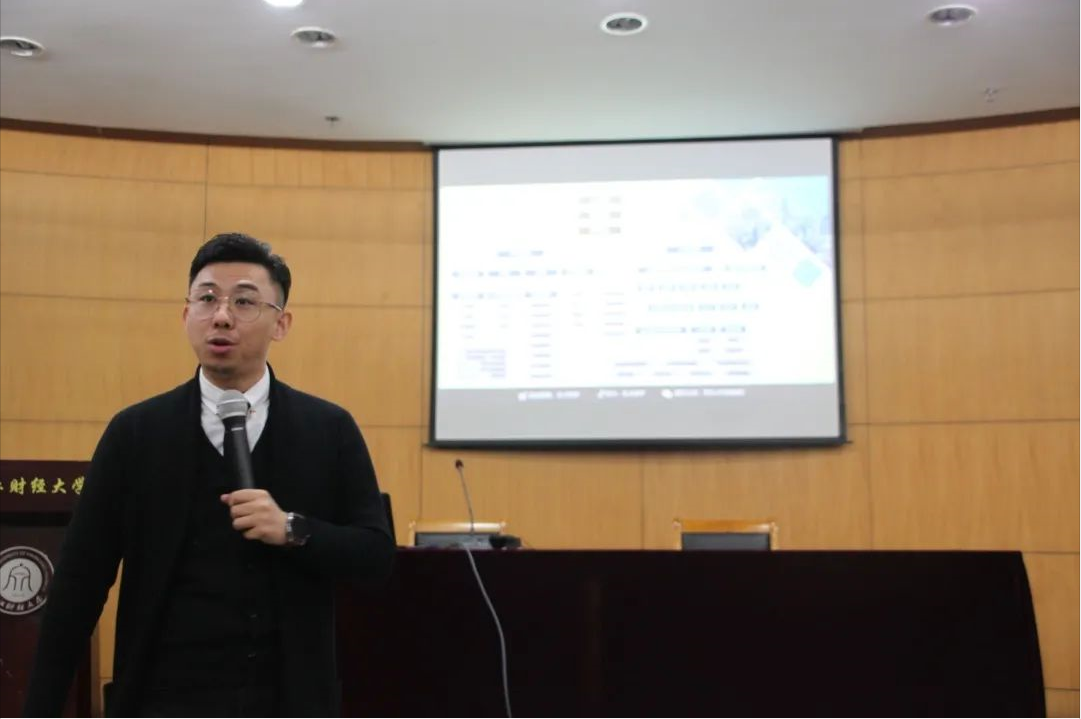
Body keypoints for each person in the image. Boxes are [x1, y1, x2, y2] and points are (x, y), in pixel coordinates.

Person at [24, 233, 395, 717]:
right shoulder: (136, 433)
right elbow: (80, 580)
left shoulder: (329, 429)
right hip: (162, 698)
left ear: (281, 324)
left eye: (244, 301)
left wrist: (292, 529)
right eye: (206, 299)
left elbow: (375, 556)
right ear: (186, 316)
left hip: (288, 698)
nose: (221, 316)